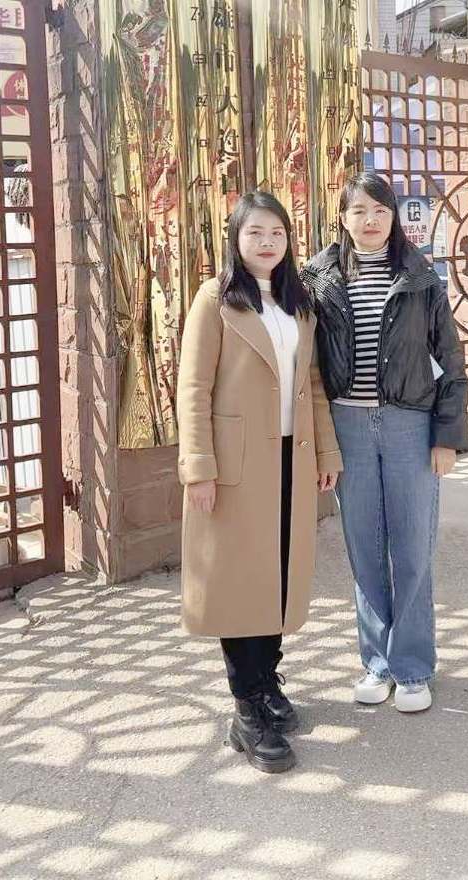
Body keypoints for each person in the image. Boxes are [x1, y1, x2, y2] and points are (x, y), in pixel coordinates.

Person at [177, 191, 342, 773]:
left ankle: (268, 680)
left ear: (288, 240)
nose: (267, 242)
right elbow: (193, 388)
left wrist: (326, 451)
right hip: (236, 465)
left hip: (291, 459)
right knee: (238, 582)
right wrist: (199, 467)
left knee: (278, 577)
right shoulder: (216, 299)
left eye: (276, 232)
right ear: (236, 239)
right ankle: (246, 708)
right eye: (255, 233)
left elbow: (313, 384)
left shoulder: (298, 302)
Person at [302, 172, 468, 714]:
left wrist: (446, 437)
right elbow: (306, 365)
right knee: (364, 547)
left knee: (412, 547)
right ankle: (376, 662)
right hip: (348, 426)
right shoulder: (319, 279)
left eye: (379, 210)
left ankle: (413, 667)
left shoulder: (421, 277)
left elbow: (450, 360)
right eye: (358, 211)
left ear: (393, 216)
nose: (369, 220)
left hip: (409, 425)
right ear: (343, 218)